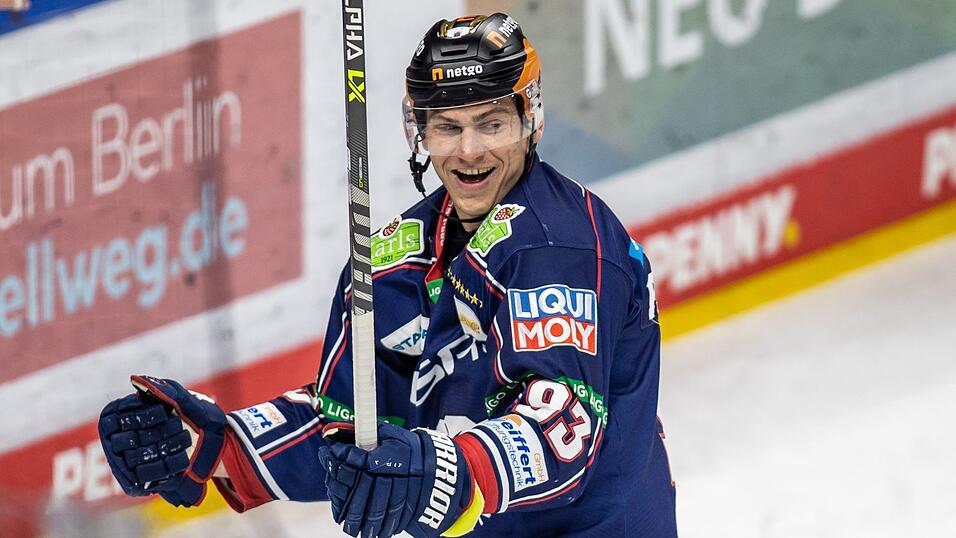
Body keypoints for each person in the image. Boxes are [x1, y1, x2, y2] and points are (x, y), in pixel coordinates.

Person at [97, 13, 678, 537]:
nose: (469, 150)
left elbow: (562, 430)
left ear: (530, 120)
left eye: (491, 122)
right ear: (418, 131)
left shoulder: (562, 249)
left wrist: (444, 472)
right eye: (447, 126)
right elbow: (351, 425)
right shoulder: (393, 262)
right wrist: (219, 445)